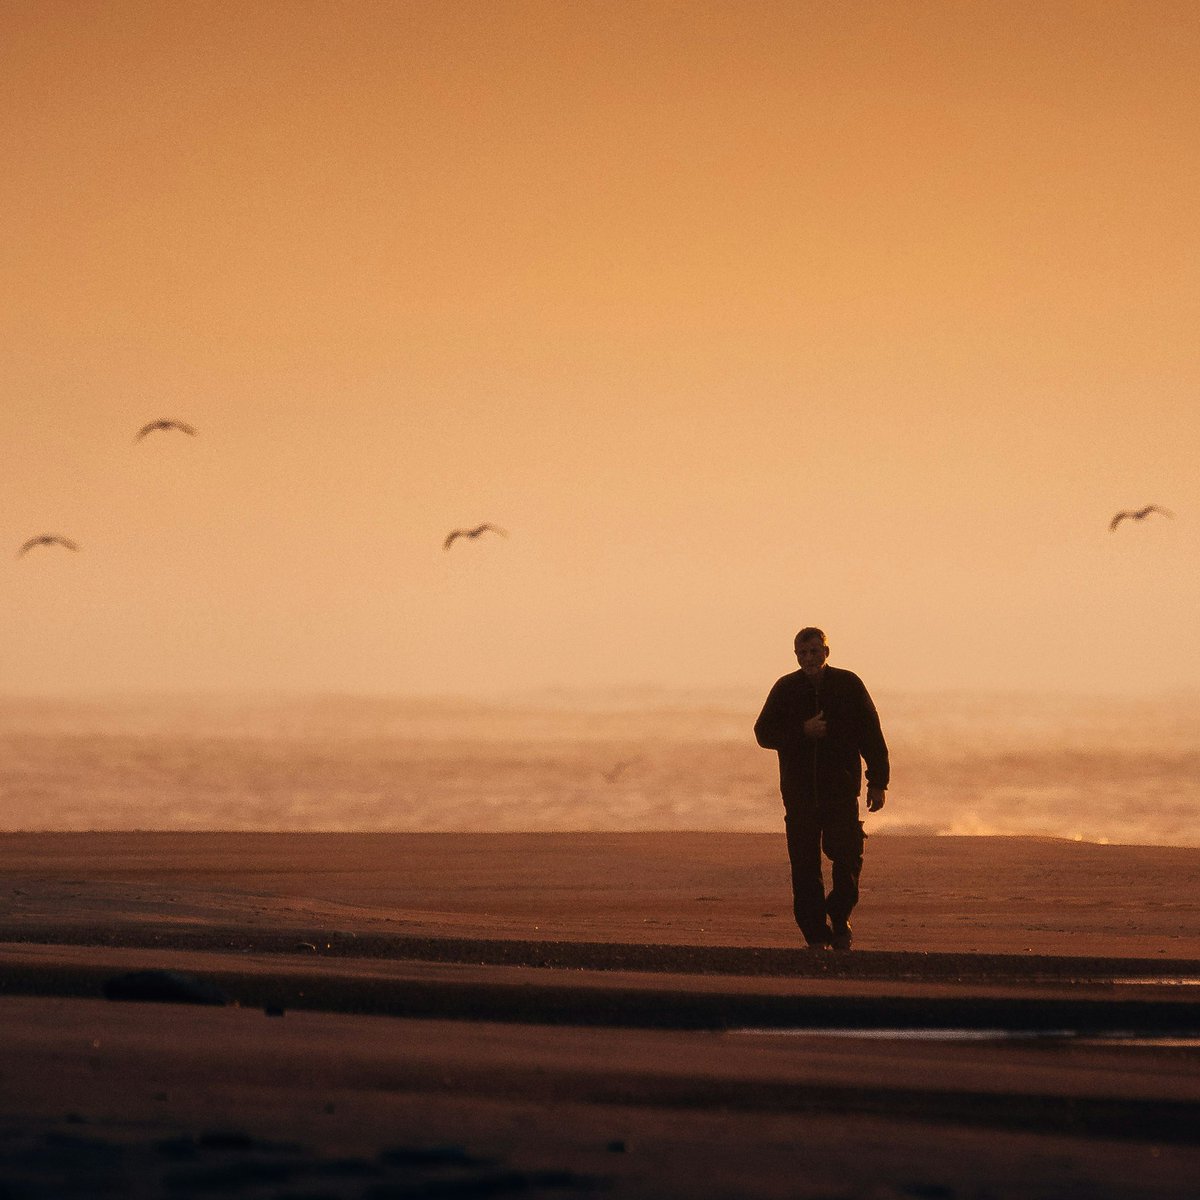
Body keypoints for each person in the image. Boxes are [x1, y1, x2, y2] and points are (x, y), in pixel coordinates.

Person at [754, 627, 889, 950]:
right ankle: (815, 935)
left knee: (847, 857)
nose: (809, 658)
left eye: (815, 651)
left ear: (826, 653)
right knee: (805, 868)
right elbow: (763, 733)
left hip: (840, 791)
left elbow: (871, 733)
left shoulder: (848, 685)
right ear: (796, 656)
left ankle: (840, 914)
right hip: (799, 795)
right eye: (803, 653)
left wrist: (878, 782)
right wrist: (802, 731)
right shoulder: (786, 688)